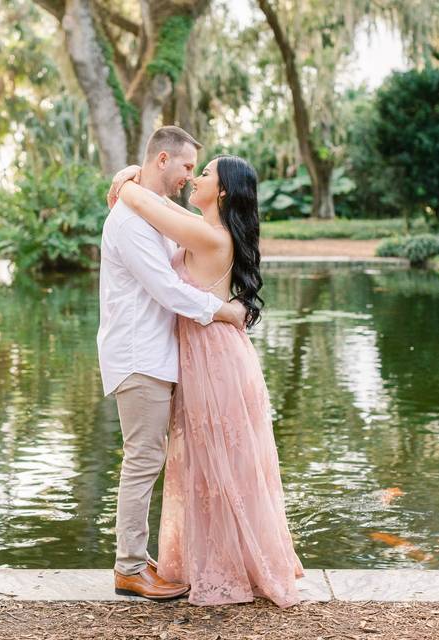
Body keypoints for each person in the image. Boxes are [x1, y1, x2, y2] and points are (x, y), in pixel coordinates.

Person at [107, 153, 304, 608]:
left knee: (224, 467)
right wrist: (134, 184)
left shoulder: (208, 235)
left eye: (206, 172)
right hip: (208, 355)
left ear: (222, 192)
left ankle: (235, 564)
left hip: (215, 360)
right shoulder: (206, 228)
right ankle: (229, 558)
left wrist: (127, 180)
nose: (195, 177)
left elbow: (144, 201)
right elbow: (166, 209)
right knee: (214, 467)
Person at [98, 126, 247, 601]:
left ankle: (138, 558)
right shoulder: (130, 220)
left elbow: (189, 231)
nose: (189, 177)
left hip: (157, 354)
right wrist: (223, 311)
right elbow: (165, 288)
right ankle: (128, 568)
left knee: (149, 458)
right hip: (138, 356)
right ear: (163, 160)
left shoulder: (153, 213)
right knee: (142, 460)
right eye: (186, 167)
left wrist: (128, 180)